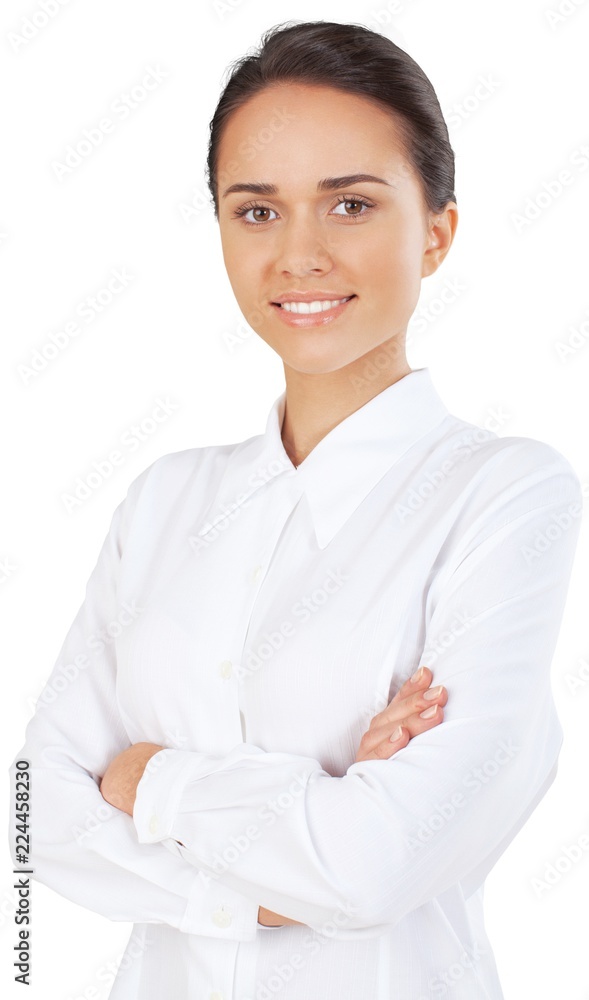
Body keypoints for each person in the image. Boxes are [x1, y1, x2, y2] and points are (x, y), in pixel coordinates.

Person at [9, 19, 582, 1000]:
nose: (298, 254)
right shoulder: (163, 501)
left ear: (436, 232)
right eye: (257, 211)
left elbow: (375, 865)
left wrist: (145, 777)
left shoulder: (503, 495)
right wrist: (287, 855)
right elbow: (33, 817)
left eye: (350, 204)